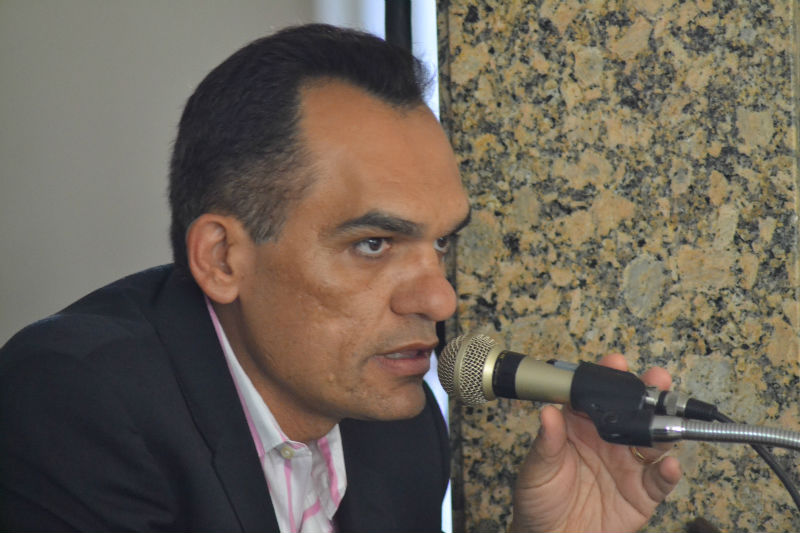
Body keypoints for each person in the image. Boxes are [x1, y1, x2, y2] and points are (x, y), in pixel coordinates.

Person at [0, 23, 681, 532]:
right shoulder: (74, 402)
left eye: (441, 243)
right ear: (222, 258)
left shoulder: (398, 428)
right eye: (374, 244)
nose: (439, 297)